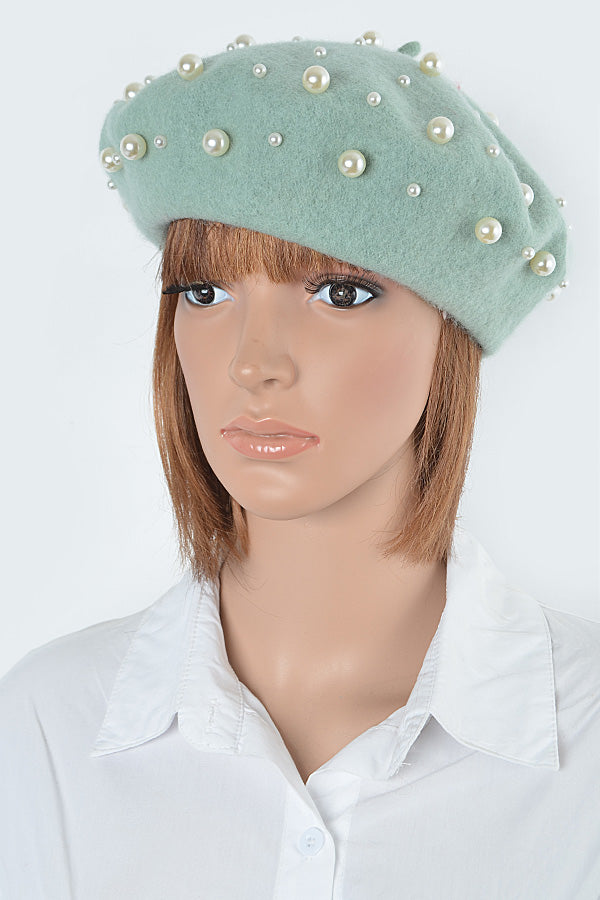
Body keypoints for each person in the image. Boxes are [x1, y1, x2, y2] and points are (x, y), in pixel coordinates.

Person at [1, 31, 598, 899]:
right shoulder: (48, 727)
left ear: (451, 332)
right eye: (204, 291)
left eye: (339, 293)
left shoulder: (583, 743)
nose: (254, 362)